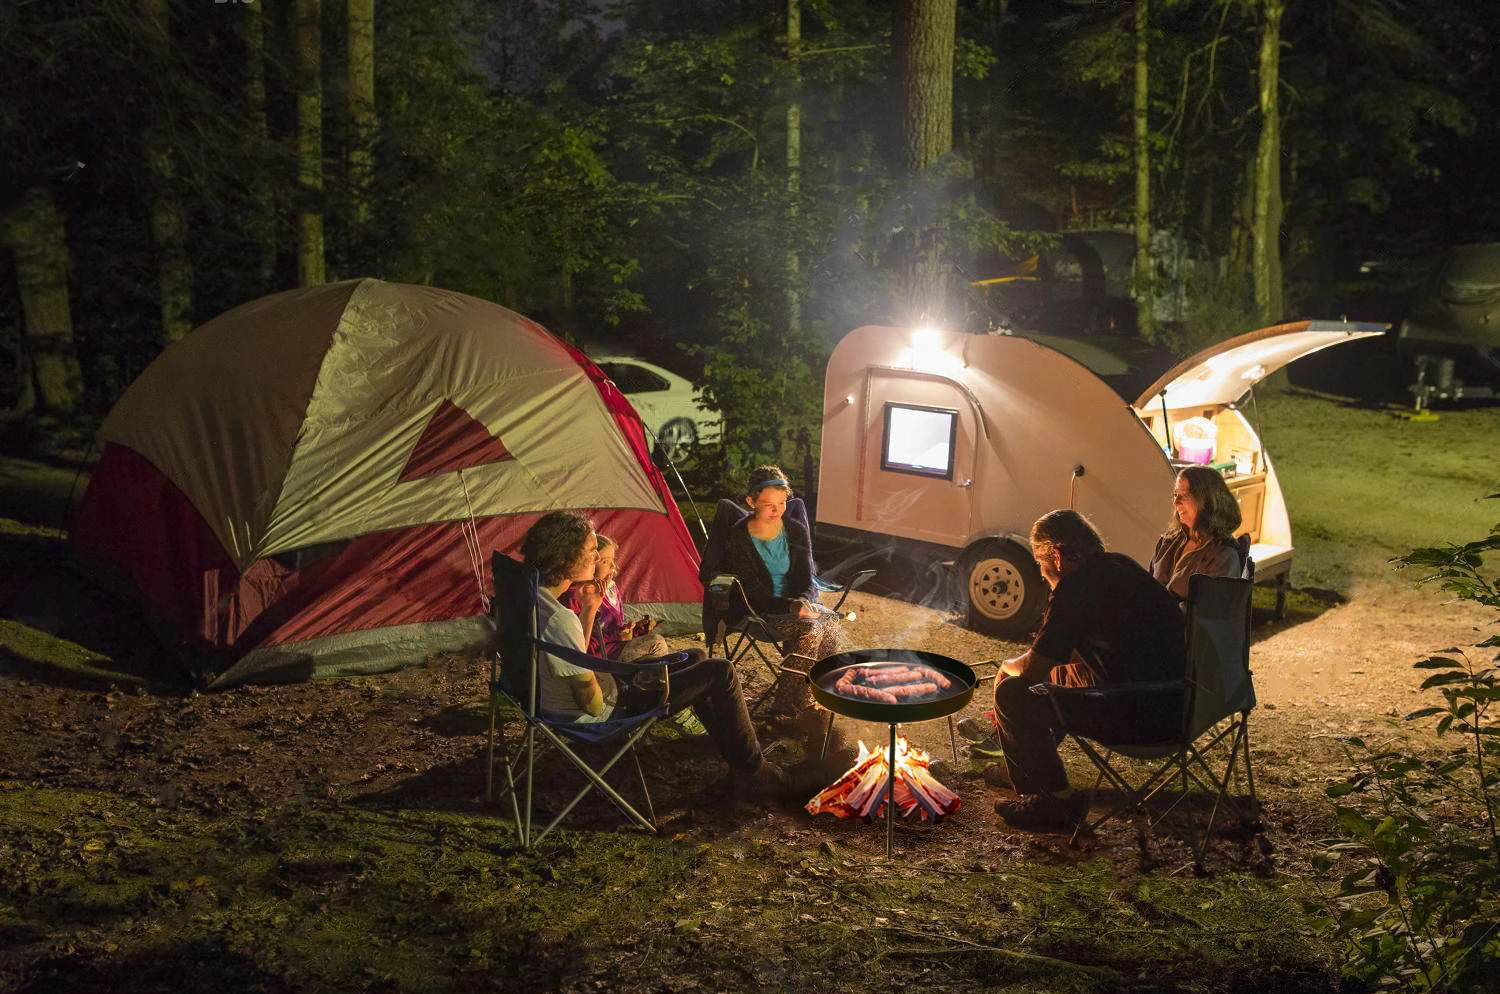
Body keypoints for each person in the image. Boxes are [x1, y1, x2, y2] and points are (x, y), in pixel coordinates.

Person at [520, 511, 785, 793]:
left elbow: (575, 655)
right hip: (606, 711)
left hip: (571, 695)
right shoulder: (560, 619)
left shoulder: (532, 597)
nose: (597, 558)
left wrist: (589, 610)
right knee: (721, 671)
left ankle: (729, 744)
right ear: (564, 558)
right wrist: (618, 677)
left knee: (695, 656)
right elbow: (593, 704)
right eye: (590, 551)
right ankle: (753, 770)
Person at [984, 509, 1188, 831]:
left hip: (1140, 714)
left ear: (1059, 555)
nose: (1041, 574)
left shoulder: (1075, 588)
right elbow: (1065, 658)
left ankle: (1053, 802)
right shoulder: (1119, 566)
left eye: (1040, 563)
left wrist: (1006, 669)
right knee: (1056, 679)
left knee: (1013, 693)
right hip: (1181, 703)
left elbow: (1032, 671)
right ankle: (1023, 766)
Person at [720, 465, 852, 708]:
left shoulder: (795, 530)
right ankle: (787, 707)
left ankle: (815, 696)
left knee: (831, 622)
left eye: (782, 503)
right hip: (759, 611)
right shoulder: (738, 538)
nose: (777, 510)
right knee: (810, 631)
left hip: (794, 607)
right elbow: (751, 590)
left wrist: (801, 599)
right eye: (769, 503)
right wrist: (789, 606)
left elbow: (805, 577)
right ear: (751, 501)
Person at [561, 533, 669, 663]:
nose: (613, 566)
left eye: (613, 560)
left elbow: (613, 630)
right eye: (605, 561)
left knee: (691, 655)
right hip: (599, 656)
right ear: (589, 562)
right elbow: (581, 643)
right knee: (656, 643)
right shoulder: (575, 596)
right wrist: (617, 636)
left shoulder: (610, 589)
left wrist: (635, 630)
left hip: (613, 648)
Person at [1149, 465, 1245, 599]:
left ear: (1207, 501)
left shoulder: (1223, 556)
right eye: (1175, 495)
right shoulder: (1168, 541)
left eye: (1184, 496)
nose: (1176, 502)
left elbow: (1208, 612)